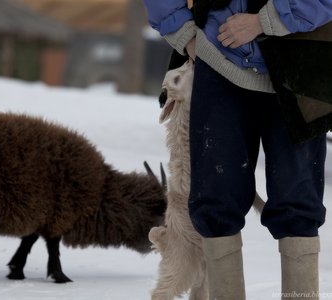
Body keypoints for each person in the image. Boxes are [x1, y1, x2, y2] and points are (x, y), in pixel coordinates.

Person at [142, 0, 332, 299]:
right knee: (216, 202)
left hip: (303, 65)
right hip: (218, 66)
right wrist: (185, 35)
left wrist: (266, 20)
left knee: (298, 204)